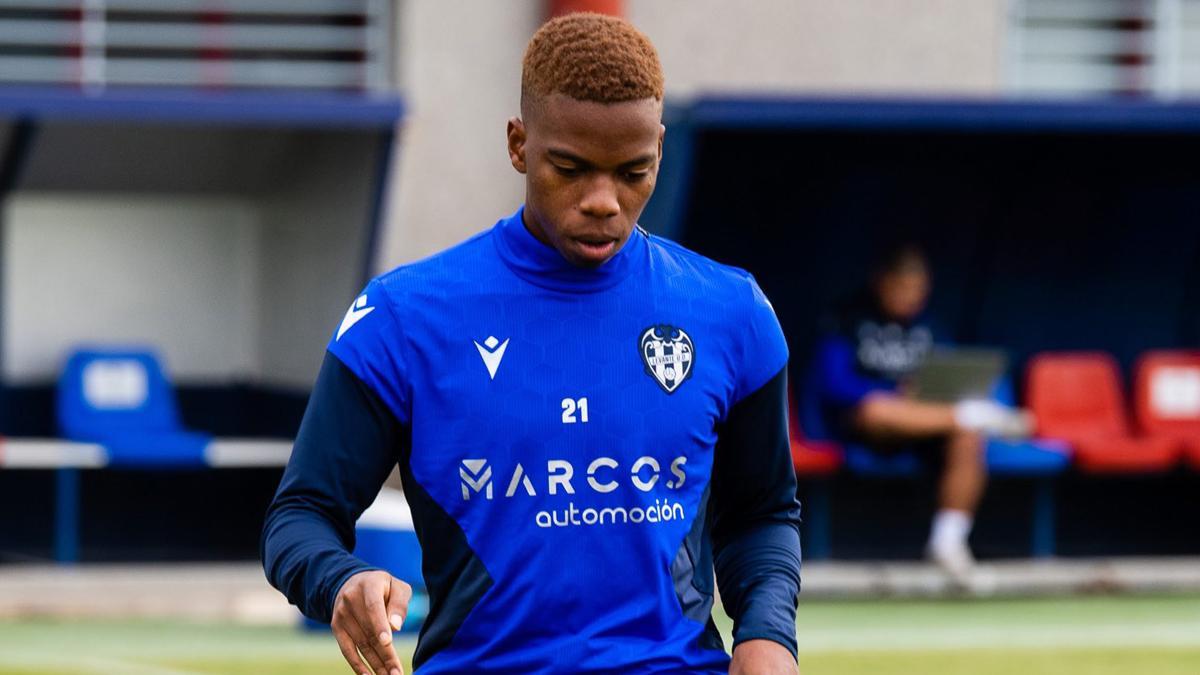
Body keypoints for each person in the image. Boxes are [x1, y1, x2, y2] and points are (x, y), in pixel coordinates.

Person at [261, 13, 801, 675]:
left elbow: (762, 512)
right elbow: (300, 515)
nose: (603, 200)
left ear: (659, 147)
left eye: (633, 170)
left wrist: (767, 635)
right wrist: (339, 579)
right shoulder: (403, 317)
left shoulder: (732, 313)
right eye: (570, 169)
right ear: (519, 145)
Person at [812, 245, 1026, 582]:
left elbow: (946, 373)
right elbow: (833, 384)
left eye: (919, 289)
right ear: (883, 282)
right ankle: (974, 415)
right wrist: (893, 395)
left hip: (923, 423)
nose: (912, 297)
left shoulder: (928, 327)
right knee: (878, 409)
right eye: (904, 288)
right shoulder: (847, 320)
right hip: (866, 427)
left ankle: (949, 543)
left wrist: (923, 395)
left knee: (967, 438)